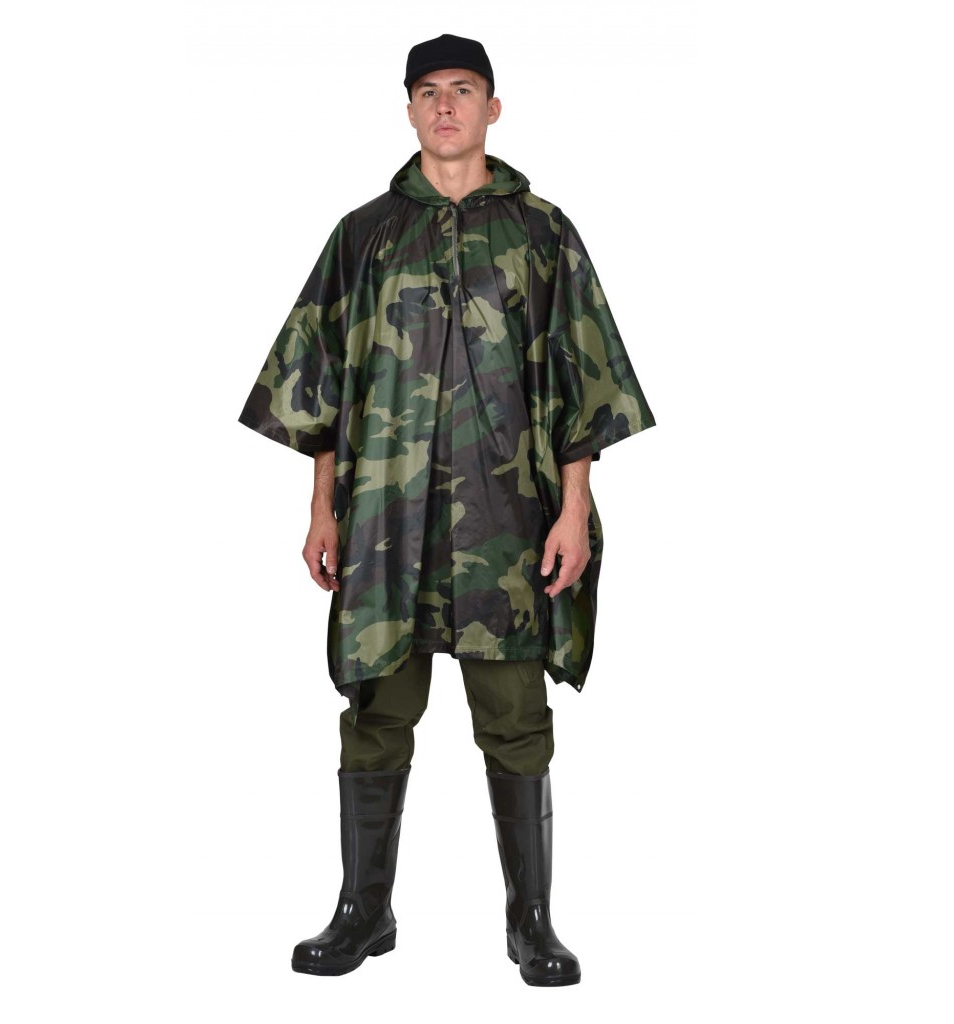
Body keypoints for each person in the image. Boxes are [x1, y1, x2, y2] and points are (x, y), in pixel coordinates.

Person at [238, 33, 656, 986]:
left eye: (462, 90)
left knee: (515, 716)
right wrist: (322, 509)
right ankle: (363, 911)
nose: (445, 106)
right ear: (410, 109)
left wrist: (575, 511)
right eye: (427, 91)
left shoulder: (542, 233)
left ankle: (531, 921)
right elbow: (322, 382)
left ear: (492, 108)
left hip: (509, 523)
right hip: (382, 521)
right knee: (375, 710)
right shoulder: (364, 235)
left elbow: (583, 378)